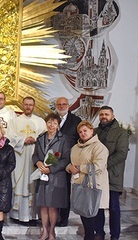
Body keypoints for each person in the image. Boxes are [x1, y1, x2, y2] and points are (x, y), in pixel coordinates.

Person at [67, 121, 109, 240]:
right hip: (79, 184)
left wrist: (80, 168)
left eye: (85, 131)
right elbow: (71, 163)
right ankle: (88, 235)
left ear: (92, 131)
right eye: (80, 132)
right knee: (83, 211)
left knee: (94, 212)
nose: (82, 133)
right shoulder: (75, 147)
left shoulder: (99, 147)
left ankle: (96, 235)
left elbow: (98, 166)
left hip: (94, 185)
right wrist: (69, 168)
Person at [32, 113, 71, 240]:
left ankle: (52, 231)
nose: (51, 125)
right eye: (49, 122)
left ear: (58, 125)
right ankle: (44, 229)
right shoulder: (40, 138)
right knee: (43, 205)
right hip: (42, 175)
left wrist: (51, 169)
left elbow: (65, 159)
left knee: (53, 206)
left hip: (56, 176)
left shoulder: (63, 139)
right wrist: (37, 162)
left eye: (54, 123)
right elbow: (35, 155)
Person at [8, 96, 46, 225]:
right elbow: (10, 138)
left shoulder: (40, 121)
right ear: (22, 105)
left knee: (32, 184)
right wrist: (23, 140)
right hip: (19, 156)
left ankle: (32, 215)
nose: (28, 107)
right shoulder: (14, 121)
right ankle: (16, 214)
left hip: (35, 157)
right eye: (26, 104)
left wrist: (35, 139)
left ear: (34, 106)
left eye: (31, 105)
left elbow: (45, 137)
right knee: (19, 182)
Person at [95, 106, 129, 240]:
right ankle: (99, 233)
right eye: (102, 114)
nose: (104, 117)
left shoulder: (121, 132)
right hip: (97, 176)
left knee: (113, 208)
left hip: (112, 176)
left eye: (107, 114)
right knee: (98, 207)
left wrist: (102, 165)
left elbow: (121, 154)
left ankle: (115, 235)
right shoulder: (96, 132)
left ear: (112, 116)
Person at [55, 97, 81, 227]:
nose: (61, 106)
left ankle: (64, 218)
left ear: (68, 105)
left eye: (64, 104)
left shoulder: (76, 121)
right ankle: (53, 216)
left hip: (67, 162)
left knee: (65, 191)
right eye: (59, 104)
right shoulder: (50, 119)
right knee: (53, 190)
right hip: (52, 161)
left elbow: (79, 142)